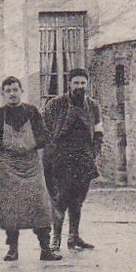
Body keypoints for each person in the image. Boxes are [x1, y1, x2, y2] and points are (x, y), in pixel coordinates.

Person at [0, 77, 62, 262]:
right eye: (8, 90)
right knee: (12, 208)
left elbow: (45, 135)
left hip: (32, 166)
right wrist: (7, 143)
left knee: (41, 206)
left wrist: (30, 143)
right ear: (3, 94)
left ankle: (45, 249)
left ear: (21, 91)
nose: (12, 94)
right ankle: (12, 249)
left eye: (15, 90)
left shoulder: (32, 112)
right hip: (9, 167)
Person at [43, 69, 103, 251]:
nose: (79, 87)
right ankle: (56, 238)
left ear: (87, 84)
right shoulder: (55, 104)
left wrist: (94, 152)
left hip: (83, 158)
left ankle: (74, 237)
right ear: (69, 84)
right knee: (60, 200)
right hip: (60, 159)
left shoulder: (93, 106)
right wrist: (51, 151)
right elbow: (43, 130)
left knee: (78, 200)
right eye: (76, 83)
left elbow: (99, 131)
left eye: (82, 83)